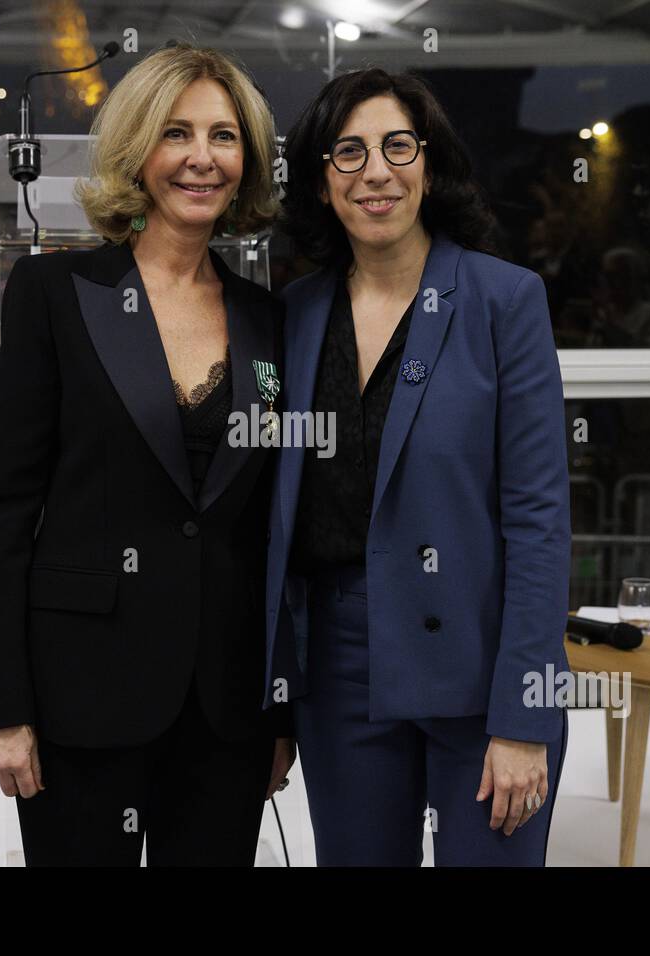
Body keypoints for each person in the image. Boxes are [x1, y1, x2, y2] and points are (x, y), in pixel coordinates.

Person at [0, 43, 294, 866]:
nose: (201, 158)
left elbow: (274, 531)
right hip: (79, 694)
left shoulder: (272, 319)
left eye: (223, 136)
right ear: (137, 151)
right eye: (176, 133)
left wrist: (282, 708)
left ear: (247, 158)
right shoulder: (52, 294)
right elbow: (6, 511)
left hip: (226, 706)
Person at [263, 68, 571, 866]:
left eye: (398, 145)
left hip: (480, 662)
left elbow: (540, 524)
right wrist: (276, 699)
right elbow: (272, 523)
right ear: (322, 179)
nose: (376, 171)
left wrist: (524, 716)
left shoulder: (505, 300)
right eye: (348, 151)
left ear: (429, 164)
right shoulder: (293, 314)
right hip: (339, 669)